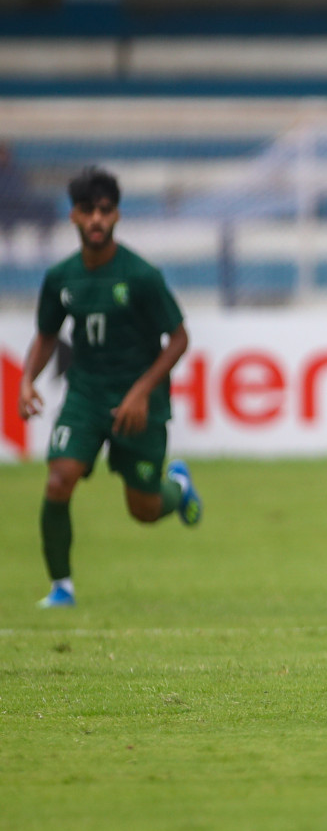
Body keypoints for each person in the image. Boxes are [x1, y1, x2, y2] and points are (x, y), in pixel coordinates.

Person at [16, 167, 204, 610]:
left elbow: (179, 338)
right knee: (59, 480)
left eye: (105, 210)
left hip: (140, 400)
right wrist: (27, 381)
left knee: (143, 509)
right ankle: (61, 586)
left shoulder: (141, 276)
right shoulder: (62, 278)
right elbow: (46, 335)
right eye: (88, 210)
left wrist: (140, 391)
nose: (97, 219)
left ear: (117, 214)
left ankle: (177, 486)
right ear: (74, 218)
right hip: (86, 393)